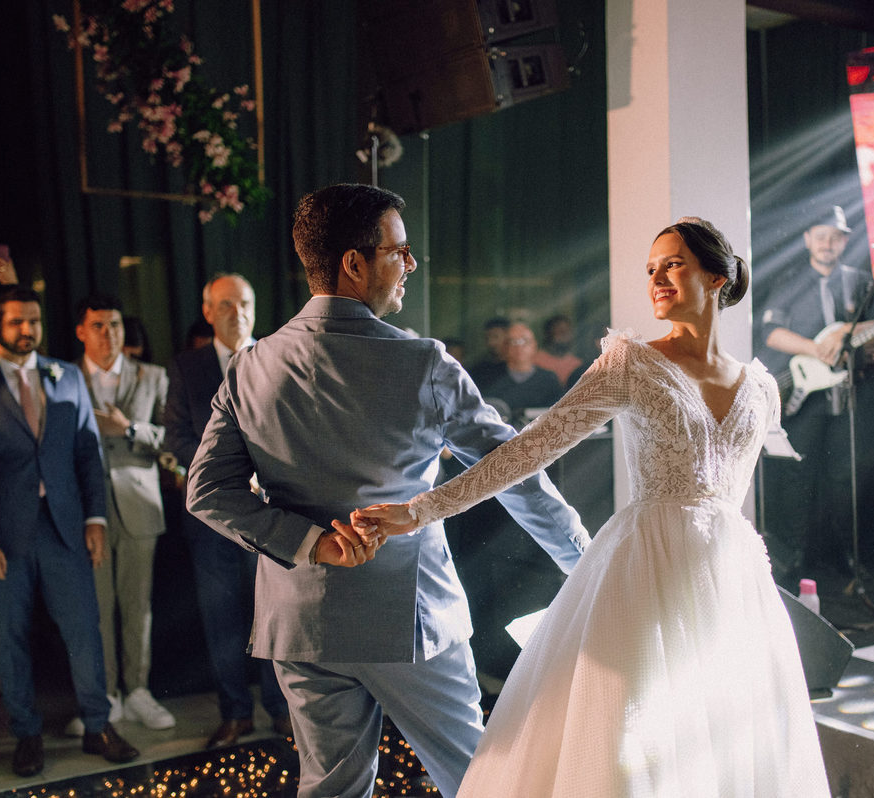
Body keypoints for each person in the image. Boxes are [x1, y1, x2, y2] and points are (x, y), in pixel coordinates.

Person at [355, 217, 830, 797]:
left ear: (717, 276)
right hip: (647, 566)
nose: (657, 279)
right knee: (634, 738)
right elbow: (530, 448)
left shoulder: (760, 387)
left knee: (726, 737)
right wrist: (423, 509)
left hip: (730, 576)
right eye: (650, 269)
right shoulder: (631, 363)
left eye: (673, 264)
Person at [185, 183, 589, 798]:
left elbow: (208, 491)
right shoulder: (424, 363)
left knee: (332, 789)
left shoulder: (250, 366)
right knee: (480, 779)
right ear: (354, 262)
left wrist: (311, 543)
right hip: (408, 617)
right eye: (399, 250)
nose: (411, 263)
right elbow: (512, 469)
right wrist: (584, 562)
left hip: (302, 623)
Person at [0, 286, 139, 777]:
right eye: (16, 321)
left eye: (34, 320)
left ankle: (98, 725)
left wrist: (95, 519)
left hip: (65, 529)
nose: (27, 329)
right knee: (11, 638)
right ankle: (26, 734)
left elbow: (87, 452)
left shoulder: (66, 375)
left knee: (85, 630)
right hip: (1, 538)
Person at [164, 273, 292, 749]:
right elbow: (176, 436)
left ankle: (280, 707)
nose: (237, 313)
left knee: (273, 613)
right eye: (225, 305)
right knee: (220, 617)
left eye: (244, 303)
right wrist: (232, 474)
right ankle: (235, 712)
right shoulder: (187, 367)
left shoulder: (278, 356)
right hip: (212, 517)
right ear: (208, 311)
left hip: (272, 511)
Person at [756, 204, 874, 585]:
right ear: (807, 239)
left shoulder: (860, 281)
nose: (828, 243)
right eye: (821, 236)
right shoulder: (791, 280)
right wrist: (816, 349)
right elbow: (771, 333)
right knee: (799, 476)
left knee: (846, 477)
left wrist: (848, 331)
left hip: (849, 393)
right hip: (805, 396)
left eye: (836, 237)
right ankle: (794, 558)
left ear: (845, 241)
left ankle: (846, 558)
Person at [69, 294, 175, 734]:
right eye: (98, 326)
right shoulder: (64, 377)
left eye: (114, 325)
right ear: (81, 331)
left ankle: (138, 691)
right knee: (94, 607)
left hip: (139, 504)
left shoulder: (153, 375)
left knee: (137, 605)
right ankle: (105, 695)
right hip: (83, 508)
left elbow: (173, 438)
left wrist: (129, 428)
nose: (108, 334)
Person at [476, 322, 563, 427]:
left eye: (525, 341)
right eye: (513, 342)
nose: (519, 347)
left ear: (534, 346)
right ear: (505, 347)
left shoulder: (549, 380)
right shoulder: (487, 378)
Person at [533, 313, 584, 389]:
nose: (565, 336)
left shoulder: (577, 365)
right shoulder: (534, 361)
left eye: (568, 331)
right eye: (560, 331)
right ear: (548, 334)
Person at [466, 316, 510, 389]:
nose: (491, 343)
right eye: (487, 338)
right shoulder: (479, 370)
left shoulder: (516, 368)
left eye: (495, 337)